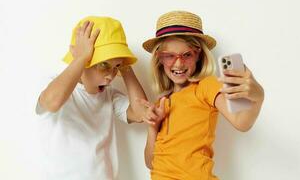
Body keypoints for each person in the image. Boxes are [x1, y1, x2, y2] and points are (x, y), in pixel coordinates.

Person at [140, 11, 264, 179]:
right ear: (159, 59)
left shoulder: (205, 86)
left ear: (199, 55)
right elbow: (150, 163)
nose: (178, 63)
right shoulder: (160, 103)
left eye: (187, 54)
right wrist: (153, 126)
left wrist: (258, 97)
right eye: (169, 56)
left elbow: (242, 123)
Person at [35, 16, 147, 180]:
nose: (110, 75)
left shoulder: (108, 95)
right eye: (103, 65)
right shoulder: (53, 85)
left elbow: (141, 112)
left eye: (116, 67)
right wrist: (80, 58)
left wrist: (125, 68)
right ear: (84, 59)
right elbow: (52, 103)